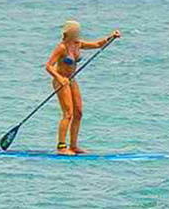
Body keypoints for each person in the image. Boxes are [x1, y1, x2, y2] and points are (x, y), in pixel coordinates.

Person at [45, 20, 121, 155]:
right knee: (68, 114)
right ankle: (61, 147)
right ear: (68, 33)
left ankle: (73, 146)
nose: (77, 34)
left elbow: (97, 44)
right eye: (74, 32)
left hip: (72, 80)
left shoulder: (78, 44)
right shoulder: (61, 48)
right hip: (61, 81)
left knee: (78, 113)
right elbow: (49, 66)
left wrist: (111, 37)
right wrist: (59, 78)